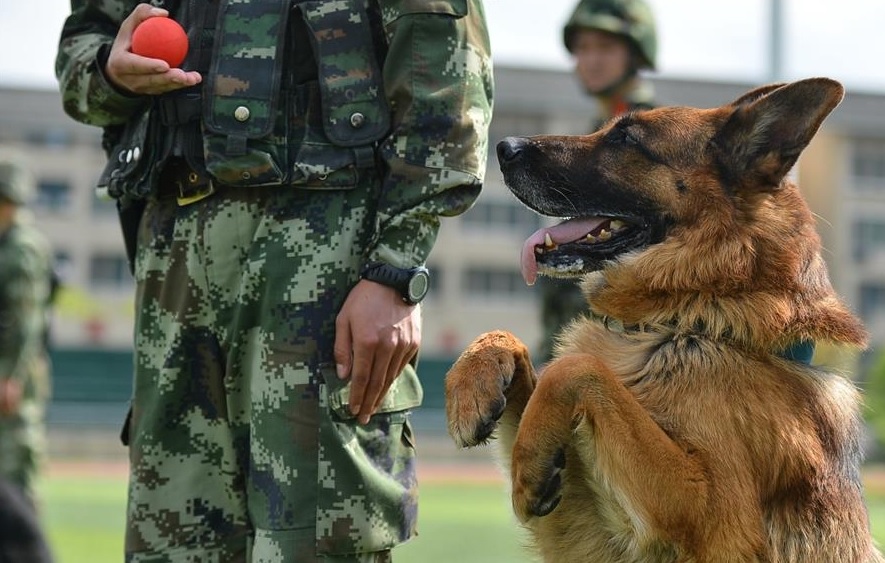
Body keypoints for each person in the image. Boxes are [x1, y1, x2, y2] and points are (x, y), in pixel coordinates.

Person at [55, 1, 493, 561]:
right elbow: (81, 52)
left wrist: (395, 270)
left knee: (314, 544)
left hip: (325, 253)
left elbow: (444, 74)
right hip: (176, 252)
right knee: (173, 546)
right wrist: (110, 71)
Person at [536, 0, 657, 363]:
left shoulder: (654, 139)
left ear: (636, 53)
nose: (591, 60)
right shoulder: (599, 134)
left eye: (605, 47)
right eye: (583, 48)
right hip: (580, 348)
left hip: (625, 355)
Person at [0, 152, 55, 563]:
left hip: (9, 385)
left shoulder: (21, 249)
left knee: (14, 477)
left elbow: (25, 321)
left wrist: (10, 378)